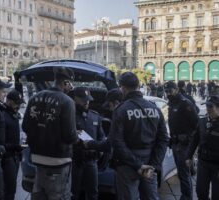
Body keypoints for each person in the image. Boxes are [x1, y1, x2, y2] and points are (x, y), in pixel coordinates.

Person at [109, 72, 169, 200]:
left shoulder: (121, 110)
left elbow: (116, 142)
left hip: (127, 165)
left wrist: (138, 166)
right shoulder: (155, 109)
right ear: (138, 86)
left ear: (123, 88)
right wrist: (153, 165)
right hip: (149, 164)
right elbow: (163, 139)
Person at [22, 67, 79, 200]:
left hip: (37, 158)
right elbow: (69, 136)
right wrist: (77, 137)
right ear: (65, 83)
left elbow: (25, 126)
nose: (72, 87)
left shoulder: (35, 98)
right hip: (59, 161)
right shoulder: (67, 101)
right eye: (71, 83)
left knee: (39, 195)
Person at [164, 81, 199, 200]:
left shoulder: (185, 103)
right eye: (166, 91)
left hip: (184, 144)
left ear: (176, 89)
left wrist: (187, 138)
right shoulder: (171, 103)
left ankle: (187, 197)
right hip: (175, 143)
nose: (168, 93)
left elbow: (196, 125)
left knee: (184, 173)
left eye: (170, 91)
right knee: (180, 171)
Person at [71, 87, 105, 200]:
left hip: (91, 161)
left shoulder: (95, 116)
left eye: (88, 99)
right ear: (75, 99)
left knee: (93, 193)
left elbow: (101, 137)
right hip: (75, 161)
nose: (87, 102)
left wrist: (100, 151)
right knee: (73, 193)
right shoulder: (69, 116)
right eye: (84, 99)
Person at [186, 95, 219, 200]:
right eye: (207, 106)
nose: (208, 109)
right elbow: (194, 140)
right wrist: (188, 156)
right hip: (203, 162)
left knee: (217, 195)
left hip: (217, 165)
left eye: (211, 107)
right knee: (200, 191)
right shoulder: (202, 121)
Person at [2, 90, 25, 200]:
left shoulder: (14, 115)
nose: (19, 106)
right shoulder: (3, 115)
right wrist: (15, 147)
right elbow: (0, 142)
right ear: (9, 101)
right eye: (17, 103)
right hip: (6, 157)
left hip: (15, 156)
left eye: (20, 103)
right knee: (8, 190)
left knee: (12, 188)